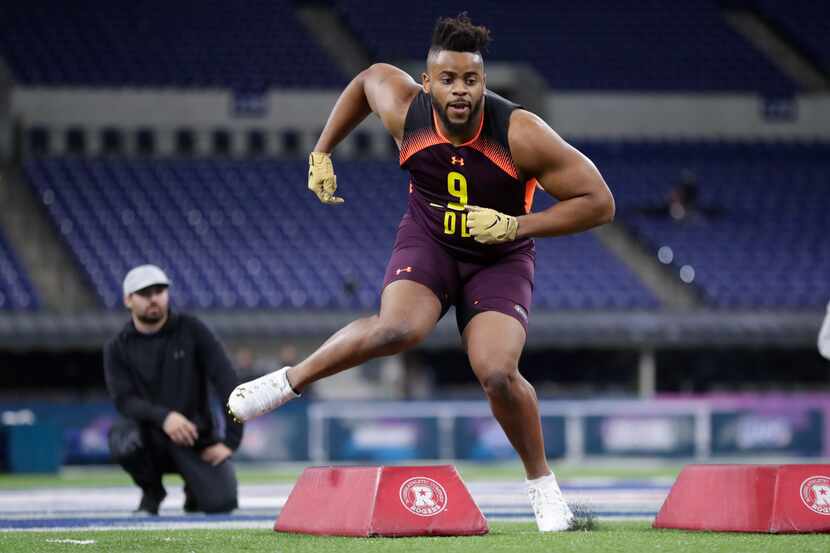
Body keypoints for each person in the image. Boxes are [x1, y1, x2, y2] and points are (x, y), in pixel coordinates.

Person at [228, 14, 614, 532]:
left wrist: (515, 224)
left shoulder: (520, 132)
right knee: (398, 328)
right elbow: (366, 80)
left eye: (471, 80)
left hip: (498, 255)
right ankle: (285, 383)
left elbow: (599, 202)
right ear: (427, 84)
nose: (460, 91)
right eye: (448, 80)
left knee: (497, 372)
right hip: (429, 239)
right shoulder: (405, 108)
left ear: (484, 82)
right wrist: (322, 151)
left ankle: (544, 491)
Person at [105, 264, 244, 515]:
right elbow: (124, 401)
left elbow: (226, 381)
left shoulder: (192, 330)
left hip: (194, 437)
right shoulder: (118, 347)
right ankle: (152, 491)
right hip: (150, 437)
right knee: (121, 438)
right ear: (128, 300)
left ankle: (194, 490)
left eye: (159, 290)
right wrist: (165, 417)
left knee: (221, 503)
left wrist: (230, 442)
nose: (154, 298)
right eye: (145, 293)